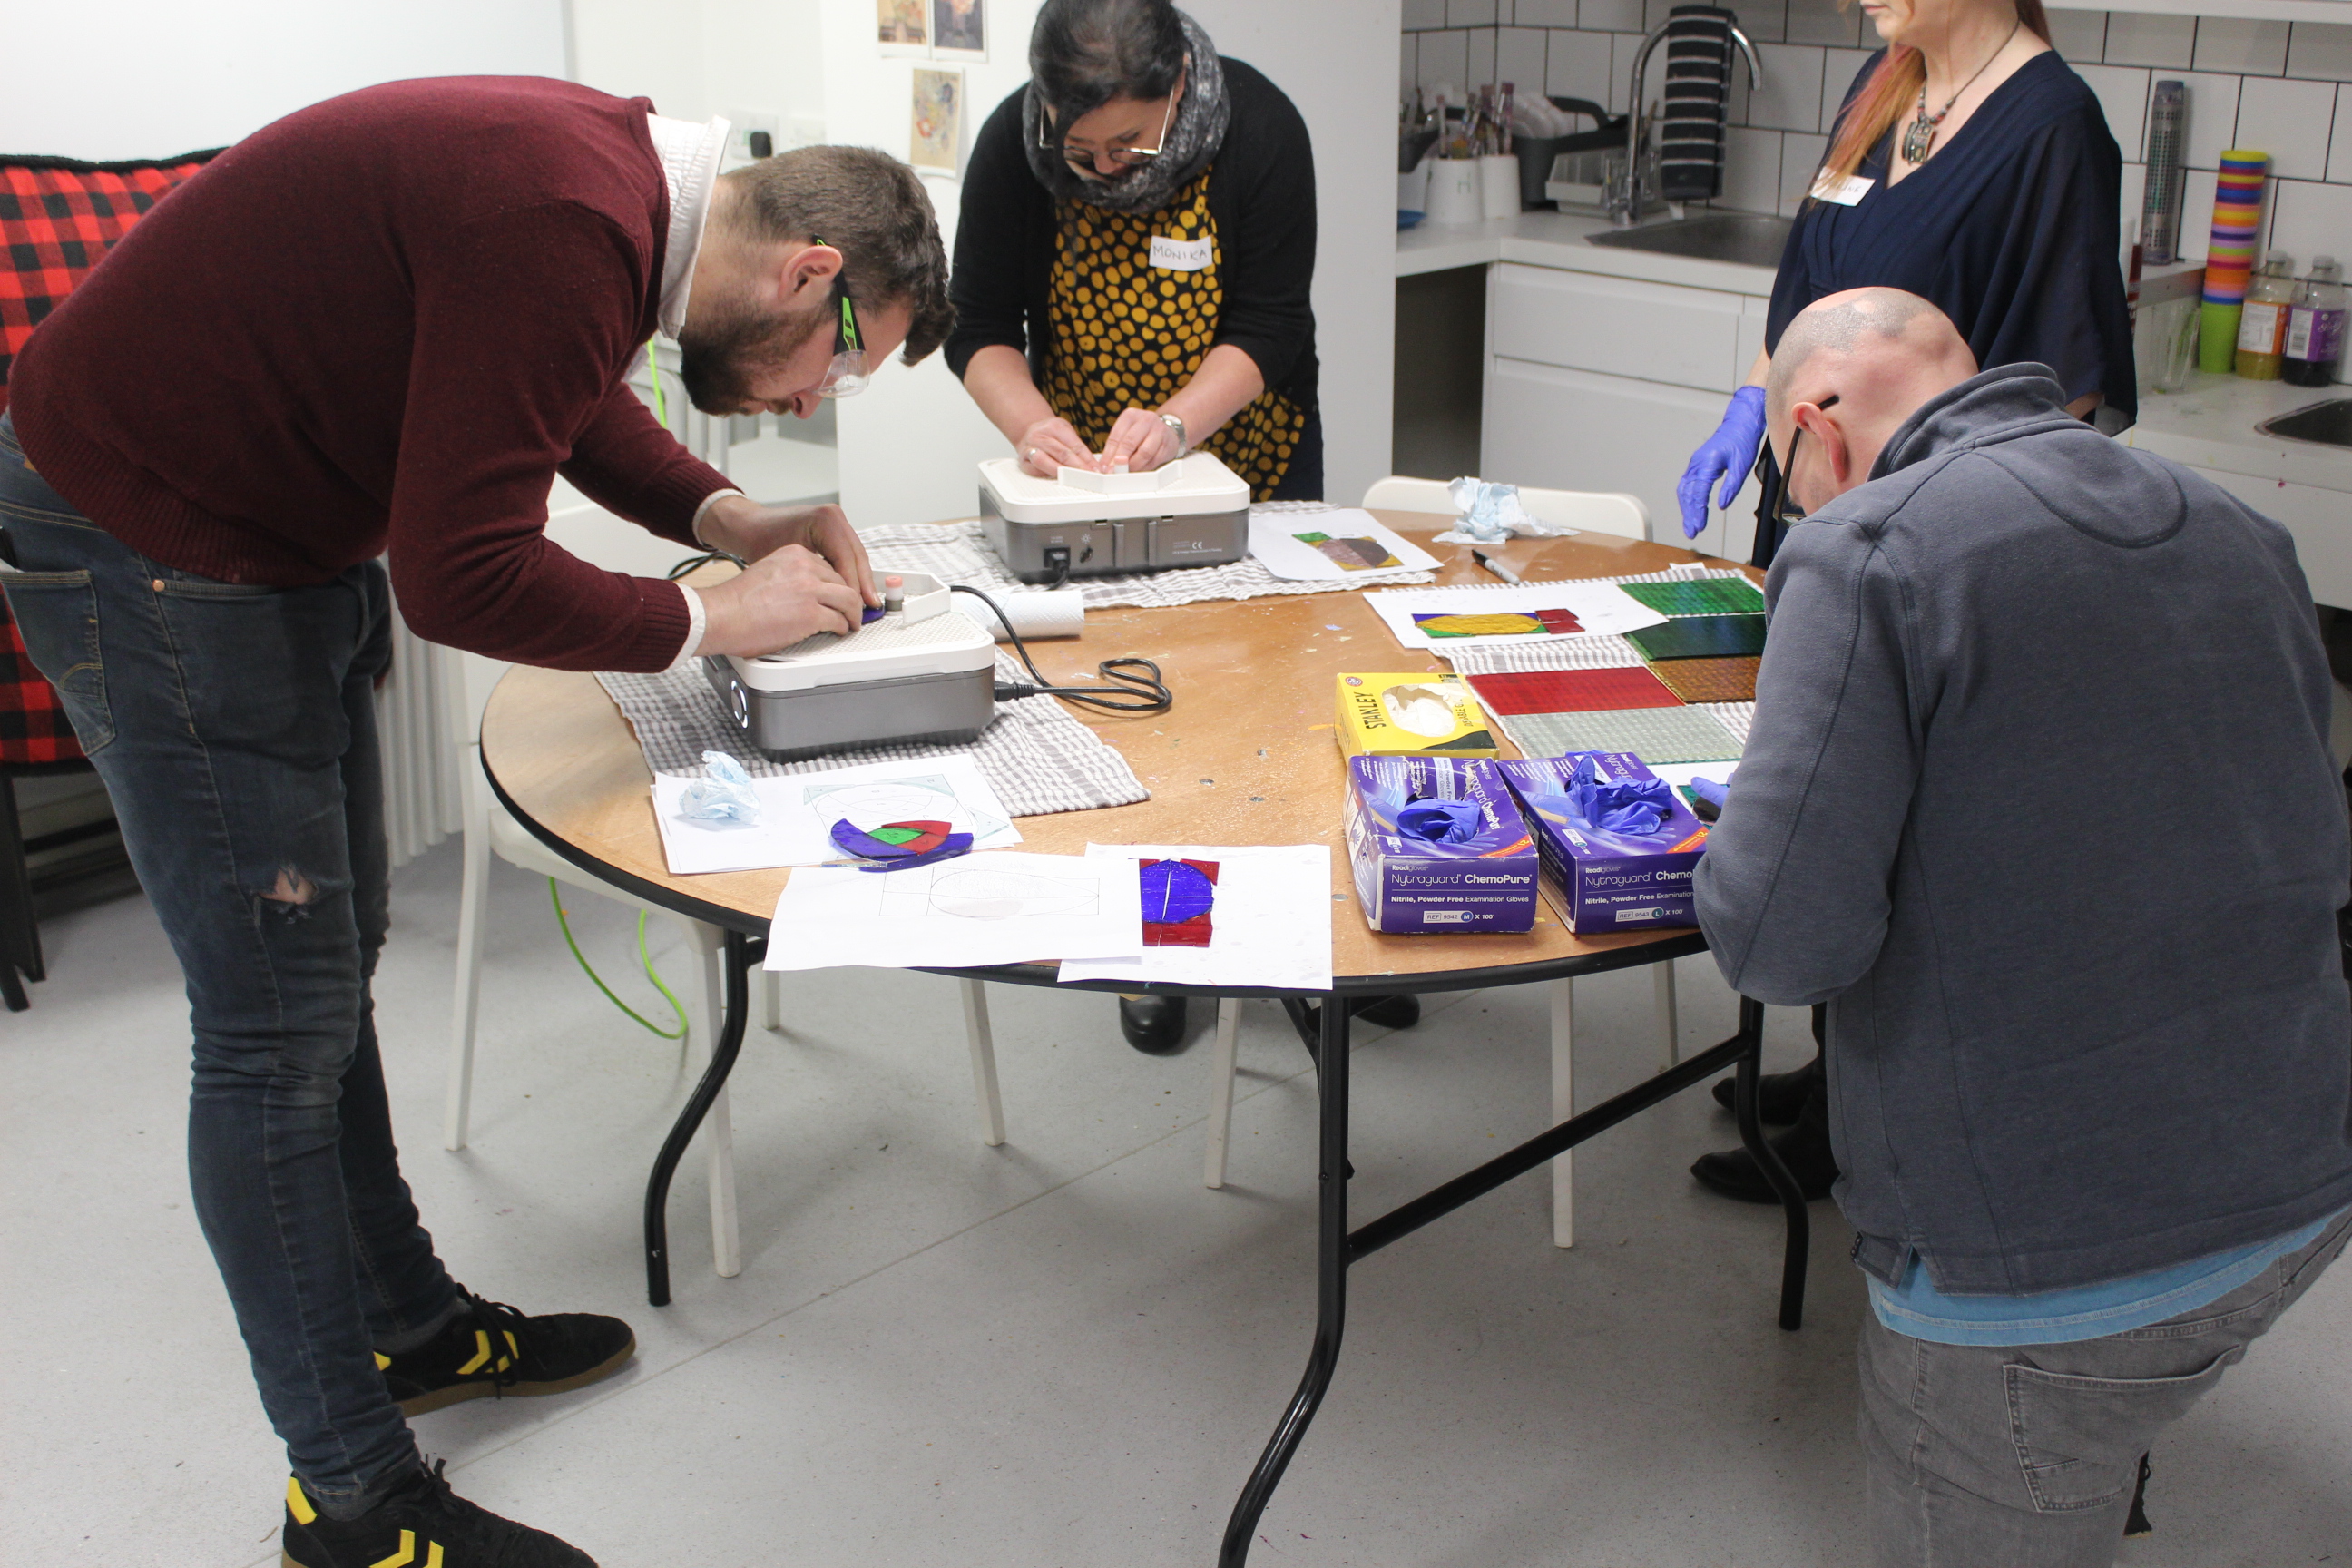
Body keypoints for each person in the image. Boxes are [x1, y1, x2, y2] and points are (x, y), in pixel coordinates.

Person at [1, 77, 951, 1568]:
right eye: (839, 367)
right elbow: (461, 579)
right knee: (267, 1023)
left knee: (326, 962)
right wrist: (714, 616)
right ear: (809, 273)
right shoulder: (564, 218)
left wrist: (730, 520)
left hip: (259, 520)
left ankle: (405, 1324)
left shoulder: (615, 197)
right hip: (148, 523)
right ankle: (350, 1498)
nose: (806, 407)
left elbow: (560, 397)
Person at [1695, 288, 2352, 1567]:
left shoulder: (1865, 553)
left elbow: (1781, 945)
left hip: (2048, 1273)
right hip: (2299, 1175)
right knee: (2111, 1414)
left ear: (1817, 431)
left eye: (1785, 475)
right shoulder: (2242, 527)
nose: (1793, 501)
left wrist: (1736, 834)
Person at [1675, 0, 2133, 1203]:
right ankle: (1827, 1075)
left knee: (1899, 815)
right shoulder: (1887, 89)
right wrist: (1753, 401)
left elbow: (2061, 387)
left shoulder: (2051, 128)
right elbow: (1819, 302)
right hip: (1822, 506)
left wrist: (1944, 541)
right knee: (1823, 793)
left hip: (1928, 549)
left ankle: (1862, 1120)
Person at [948, 0, 1414, 1054]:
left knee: (1276, 712)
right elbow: (979, 326)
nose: (1108, 169)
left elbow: (1271, 325)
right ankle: (1160, 946)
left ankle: (1338, 934)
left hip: (1248, 461)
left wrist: (1174, 426)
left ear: (1175, 92)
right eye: (1084, 149)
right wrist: (1036, 431)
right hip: (1089, 491)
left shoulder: (1257, 127)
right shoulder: (1010, 150)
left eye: (1133, 143)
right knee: (1142, 714)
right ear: (1048, 109)